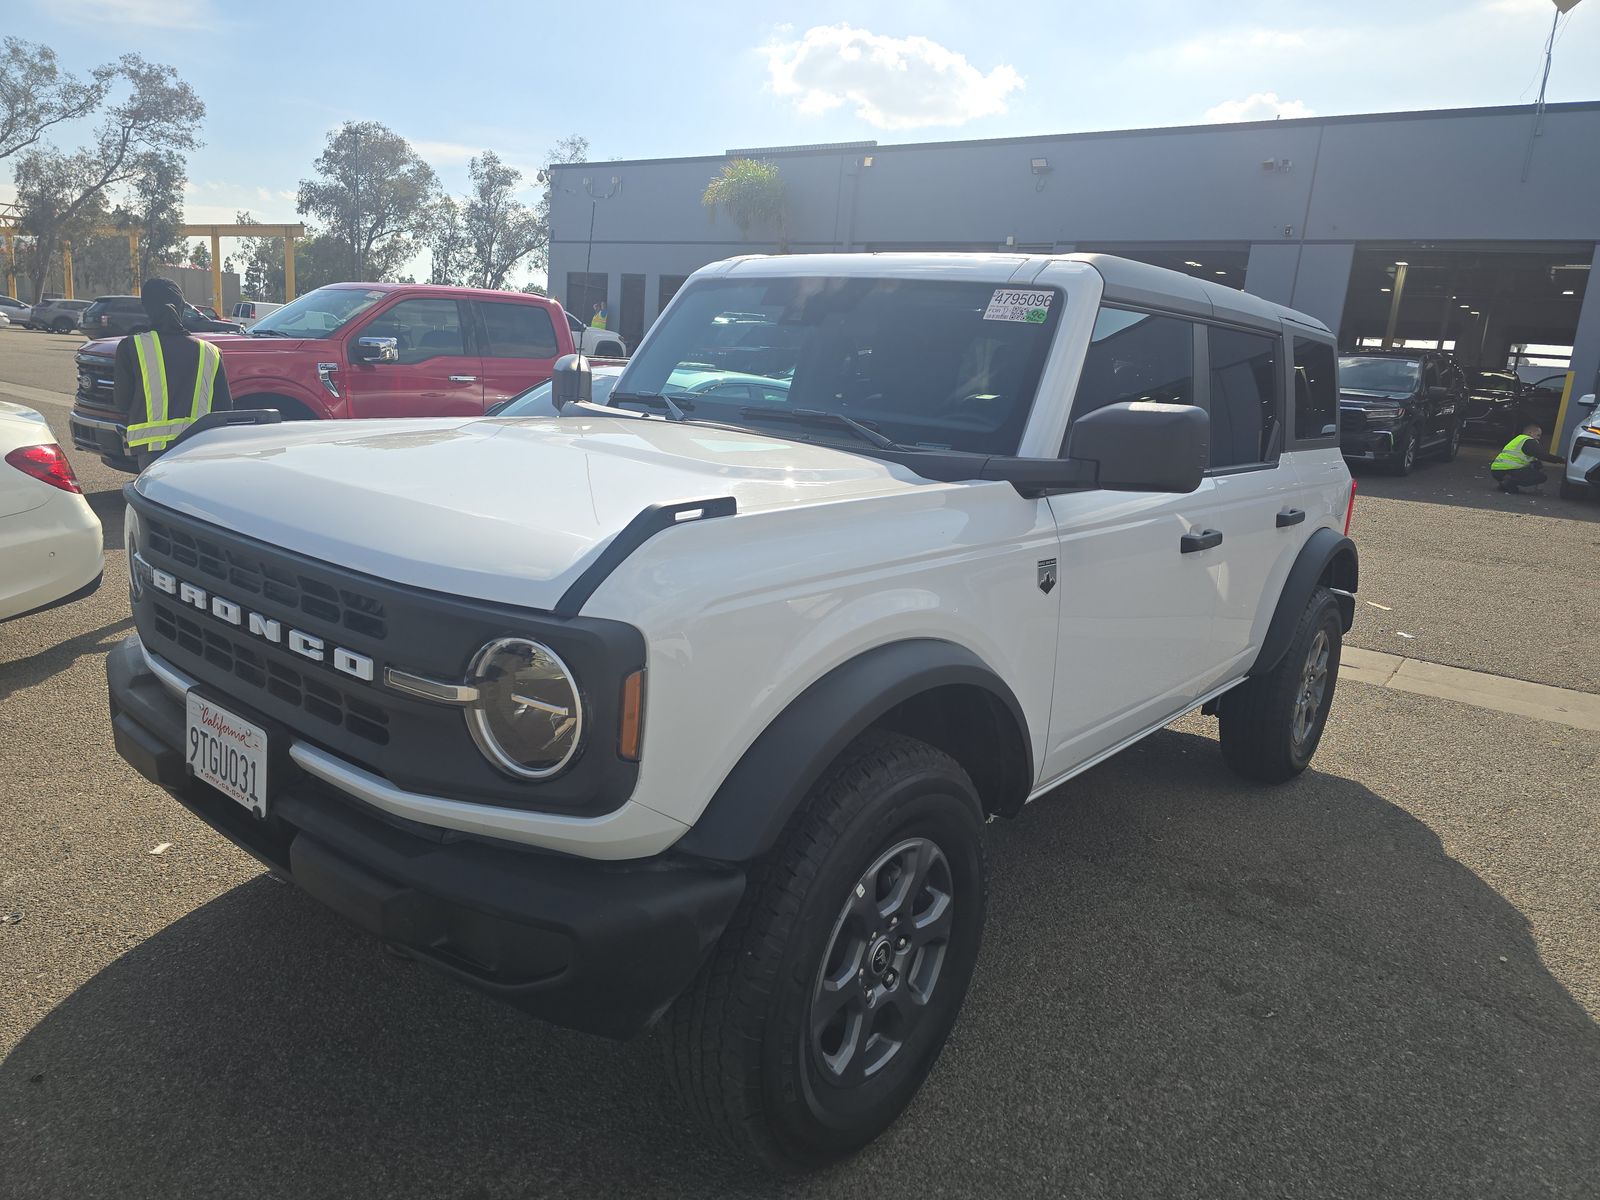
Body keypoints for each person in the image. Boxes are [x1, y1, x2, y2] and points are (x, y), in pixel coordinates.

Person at [113, 277, 231, 467]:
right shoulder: (211, 352)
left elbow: (121, 402)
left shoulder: (130, 347)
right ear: (182, 306)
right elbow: (224, 408)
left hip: (150, 452)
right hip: (197, 450)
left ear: (147, 308)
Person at [1490, 422, 1564, 494]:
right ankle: (1509, 482)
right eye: (1538, 435)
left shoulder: (1518, 439)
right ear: (1530, 433)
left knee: (1514, 489)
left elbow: (1535, 461)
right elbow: (1543, 455)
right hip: (1509, 469)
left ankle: (1506, 484)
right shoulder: (1529, 441)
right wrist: (1562, 460)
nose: (1539, 438)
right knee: (1542, 477)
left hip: (1496, 471)